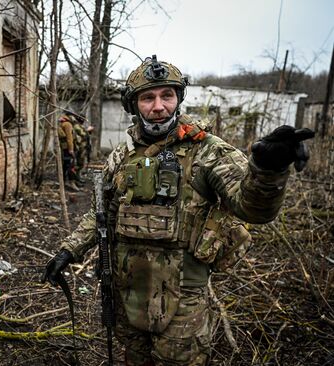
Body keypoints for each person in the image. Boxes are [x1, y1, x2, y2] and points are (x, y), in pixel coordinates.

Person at [42, 55, 313, 365]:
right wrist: (68, 251)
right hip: (128, 288)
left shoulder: (208, 151)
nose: (158, 106)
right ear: (134, 105)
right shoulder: (122, 155)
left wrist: (267, 170)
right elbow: (100, 214)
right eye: (148, 98)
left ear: (178, 98)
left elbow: (252, 208)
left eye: (166, 95)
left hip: (184, 296)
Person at [57, 112, 78, 189]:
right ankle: (71, 183)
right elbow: (69, 138)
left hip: (63, 148)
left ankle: (63, 182)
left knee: (65, 165)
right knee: (71, 165)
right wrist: (71, 149)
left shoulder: (61, 123)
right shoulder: (67, 124)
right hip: (68, 149)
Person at [72, 114, 89, 183]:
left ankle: (78, 177)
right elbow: (83, 134)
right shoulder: (76, 126)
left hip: (82, 147)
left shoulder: (80, 125)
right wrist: (87, 131)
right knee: (78, 163)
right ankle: (75, 178)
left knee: (81, 163)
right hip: (79, 147)